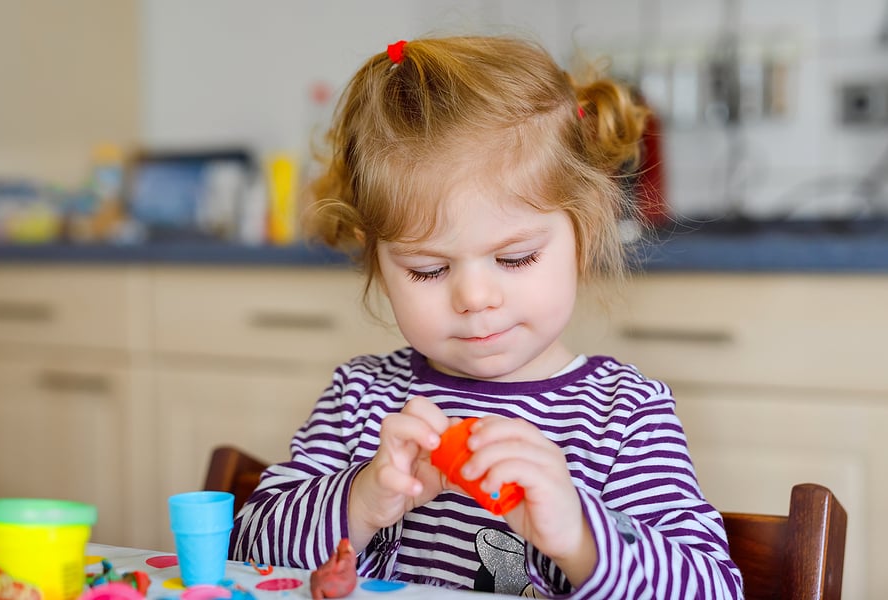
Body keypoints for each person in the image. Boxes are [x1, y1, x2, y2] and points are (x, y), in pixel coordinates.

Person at [230, 34, 742, 599]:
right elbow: (249, 549)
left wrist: (578, 536)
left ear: (584, 229)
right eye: (428, 269)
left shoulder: (624, 416)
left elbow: (711, 587)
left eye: (515, 257)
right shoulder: (362, 399)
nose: (475, 297)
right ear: (372, 254)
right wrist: (363, 498)